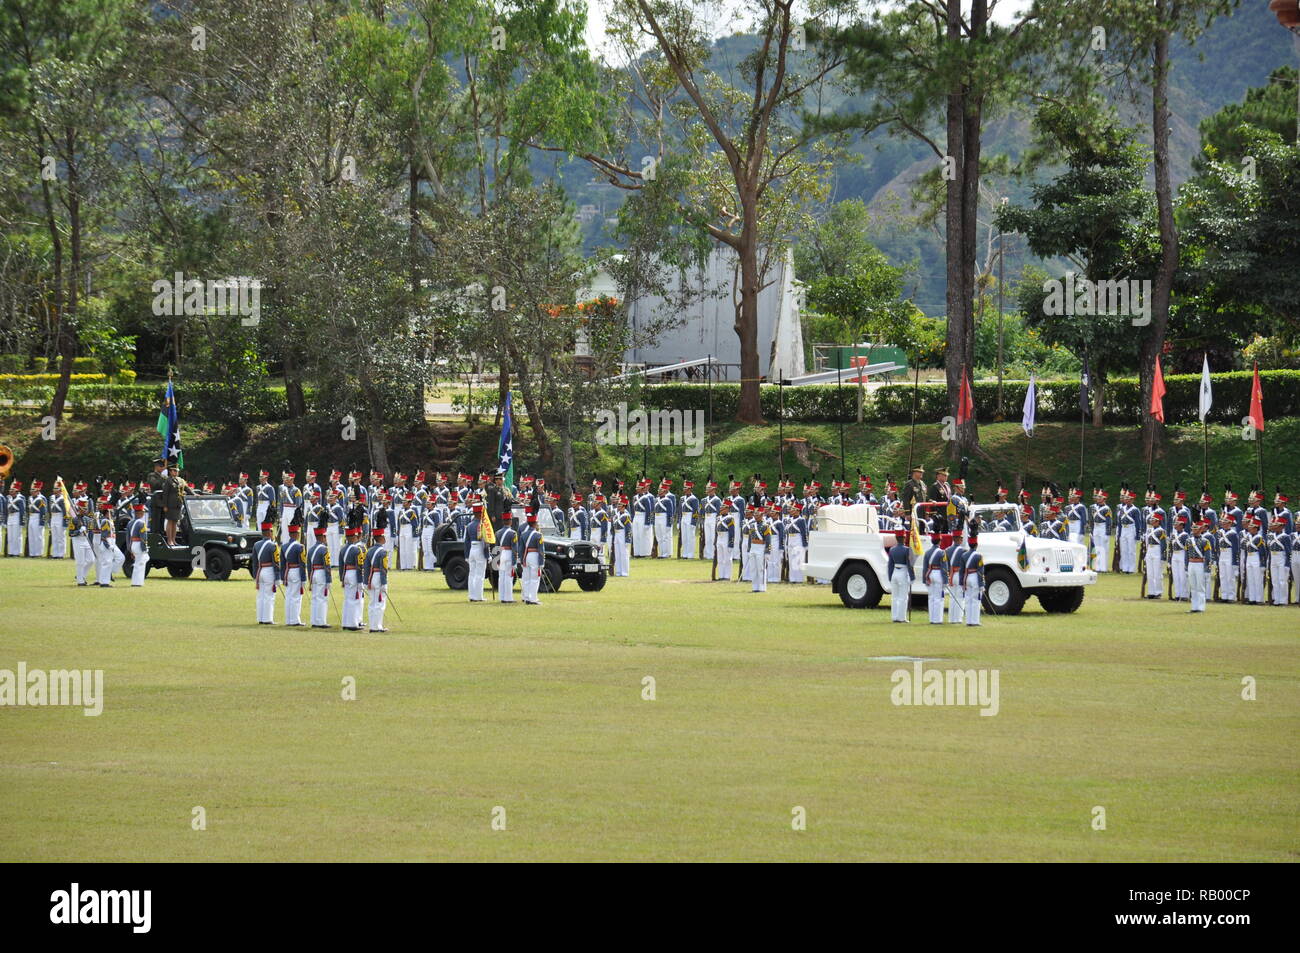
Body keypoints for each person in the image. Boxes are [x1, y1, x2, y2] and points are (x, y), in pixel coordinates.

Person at [251, 520, 280, 625]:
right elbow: (276, 563)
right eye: (272, 531)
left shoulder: (256, 545)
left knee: (261, 596)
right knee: (269, 596)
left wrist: (255, 576)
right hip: (269, 571)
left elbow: (254, 562)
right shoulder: (273, 546)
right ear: (269, 532)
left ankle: (260, 618)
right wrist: (277, 577)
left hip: (260, 571)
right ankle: (267, 619)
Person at [339, 523, 365, 631]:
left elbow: (341, 565)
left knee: (347, 599)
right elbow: (360, 567)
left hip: (346, 574)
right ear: (354, 536)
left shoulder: (343, 549)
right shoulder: (357, 549)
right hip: (354, 574)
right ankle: (353, 623)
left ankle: (346, 622)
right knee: (355, 599)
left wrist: (341, 578)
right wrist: (360, 581)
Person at [363, 527, 389, 631]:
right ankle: (377, 626)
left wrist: (365, 581)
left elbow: (366, 567)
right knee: (380, 603)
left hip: (370, 578)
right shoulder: (383, 552)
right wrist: (384, 583)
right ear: (381, 538)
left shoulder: (369, 551)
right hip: (378, 578)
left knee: (372, 603)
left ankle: (372, 626)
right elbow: (383, 569)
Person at [282, 517, 307, 626]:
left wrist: (283, 577)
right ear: (297, 534)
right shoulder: (300, 547)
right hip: (296, 572)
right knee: (296, 597)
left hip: (288, 572)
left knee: (289, 596)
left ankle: (288, 619)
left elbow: (282, 564)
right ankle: (295, 620)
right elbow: (302, 564)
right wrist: (303, 578)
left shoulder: (283, 546)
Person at [886, 527, 914, 623]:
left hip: (894, 573)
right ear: (904, 537)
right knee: (903, 597)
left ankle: (894, 617)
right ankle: (901, 618)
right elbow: (909, 564)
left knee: (895, 597)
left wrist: (890, 576)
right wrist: (912, 577)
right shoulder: (907, 550)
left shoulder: (892, 549)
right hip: (903, 572)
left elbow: (890, 565)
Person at [307, 522, 332, 629]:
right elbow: (327, 565)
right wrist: (329, 580)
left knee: (315, 598)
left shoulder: (311, 549)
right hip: (321, 573)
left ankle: (314, 620)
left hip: (313, 574)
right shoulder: (324, 549)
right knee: (322, 598)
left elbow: (308, 566)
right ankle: (321, 621)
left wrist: (310, 579)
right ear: (322, 536)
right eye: (325, 536)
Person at [1186, 519, 1212, 613]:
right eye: (1193, 528)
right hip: (1191, 564)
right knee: (1193, 586)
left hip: (1200, 564)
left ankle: (1200, 607)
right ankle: (1194, 607)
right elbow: (1186, 554)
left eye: (1196, 528)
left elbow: (1208, 557)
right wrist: (1186, 567)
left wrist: (1207, 569)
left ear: (1201, 529)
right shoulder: (1189, 541)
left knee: (1200, 587)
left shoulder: (1205, 541)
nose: (1193, 530)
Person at [465, 501, 488, 603]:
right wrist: (488, 555)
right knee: (480, 574)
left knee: (472, 574)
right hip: (480, 548)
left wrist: (466, 555)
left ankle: (472, 595)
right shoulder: (482, 525)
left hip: (471, 550)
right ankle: (478, 596)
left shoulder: (469, 525)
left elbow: (466, 542)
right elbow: (485, 542)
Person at [519, 510, 544, 605]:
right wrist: (541, 562)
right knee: (534, 578)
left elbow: (521, 549)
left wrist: (522, 560)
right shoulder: (538, 535)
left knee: (526, 578)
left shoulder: (523, 534)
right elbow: (541, 550)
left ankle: (526, 597)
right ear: (534, 523)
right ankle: (533, 598)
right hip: (535, 556)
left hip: (526, 556)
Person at [923, 534, 948, 624]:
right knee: (939, 598)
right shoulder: (942, 552)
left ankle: (932, 619)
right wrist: (945, 580)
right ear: (939, 541)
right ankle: (937, 619)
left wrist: (924, 579)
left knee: (931, 598)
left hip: (929, 574)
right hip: (938, 574)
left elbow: (925, 567)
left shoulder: (927, 552)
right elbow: (944, 567)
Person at [1143, 513, 1167, 599]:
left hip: (1157, 550)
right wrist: (1146, 553)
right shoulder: (1149, 530)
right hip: (1150, 550)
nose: (1151, 521)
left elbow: (1164, 545)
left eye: (1153, 520)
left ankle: (1158, 592)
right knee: (1150, 573)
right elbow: (1147, 543)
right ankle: (1151, 592)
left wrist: (1163, 557)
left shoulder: (1161, 531)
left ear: (1158, 521)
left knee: (1157, 573)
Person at [962, 532, 985, 626]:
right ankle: (975, 621)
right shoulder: (979, 556)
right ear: (976, 545)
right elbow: (980, 571)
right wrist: (982, 584)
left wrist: (961, 582)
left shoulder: (964, 555)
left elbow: (961, 571)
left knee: (968, 599)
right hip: (975, 577)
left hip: (967, 578)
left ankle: (968, 621)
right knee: (976, 600)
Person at [496, 508, 517, 603]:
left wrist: (496, 559)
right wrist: (514, 562)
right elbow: (514, 549)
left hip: (501, 554)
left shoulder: (498, 532)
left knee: (501, 577)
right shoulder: (513, 533)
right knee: (509, 576)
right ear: (510, 521)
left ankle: (502, 597)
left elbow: (496, 547)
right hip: (508, 554)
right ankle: (508, 598)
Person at [127, 502, 150, 587]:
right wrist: (144, 548)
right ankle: (138, 582)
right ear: (139, 513)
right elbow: (143, 537)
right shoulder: (142, 523)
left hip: (133, 545)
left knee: (137, 563)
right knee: (140, 564)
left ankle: (135, 581)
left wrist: (129, 549)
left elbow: (128, 538)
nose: (143, 513)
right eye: (143, 512)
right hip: (139, 544)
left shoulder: (130, 523)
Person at [26, 480, 48, 557]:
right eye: (31, 490)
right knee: (31, 536)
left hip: (38, 518)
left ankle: (38, 553)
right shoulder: (30, 498)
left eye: (33, 490)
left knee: (38, 537)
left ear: (38, 490)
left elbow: (44, 512)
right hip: (31, 517)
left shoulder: (41, 498)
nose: (31, 492)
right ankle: (32, 553)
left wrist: (42, 523)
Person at [5, 479, 25, 556]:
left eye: (12, 489)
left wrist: (22, 522)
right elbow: (7, 510)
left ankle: (17, 552)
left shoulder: (20, 499)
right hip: (10, 517)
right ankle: (11, 552)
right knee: (10, 536)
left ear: (16, 491)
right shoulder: (9, 498)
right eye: (10, 489)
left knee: (16, 536)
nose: (10, 491)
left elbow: (22, 511)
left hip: (16, 517)